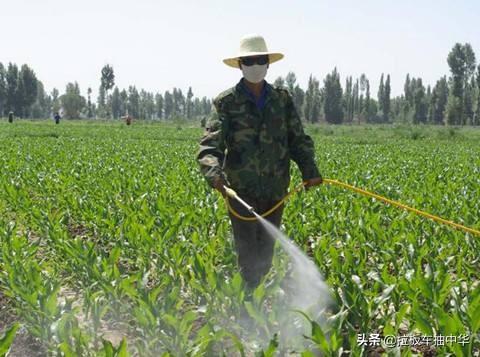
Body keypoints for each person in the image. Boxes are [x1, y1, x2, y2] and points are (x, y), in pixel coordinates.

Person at [197, 34, 323, 288]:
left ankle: (257, 300)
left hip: (276, 189)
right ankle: (247, 308)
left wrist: (310, 170)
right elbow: (210, 145)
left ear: (268, 64)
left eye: (260, 60)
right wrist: (215, 175)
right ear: (241, 65)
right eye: (249, 61)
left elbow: (297, 138)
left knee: (265, 253)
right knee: (248, 254)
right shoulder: (227, 102)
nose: (255, 66)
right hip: (241, 191)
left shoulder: (282, 100)